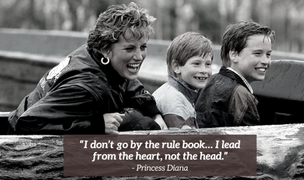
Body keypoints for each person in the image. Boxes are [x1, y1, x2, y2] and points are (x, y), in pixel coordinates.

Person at [7, 2, 167, 135]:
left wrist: (153, 111)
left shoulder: (96, 56)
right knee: (138, 123)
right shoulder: (88, 86)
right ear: (105, 49)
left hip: (26, 117)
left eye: (143, 47)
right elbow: (27, 123)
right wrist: (96, 125)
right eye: (130, 49)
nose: (139, 56)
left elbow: (128, 82)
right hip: (21, 151)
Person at [195, 20, 275, 127]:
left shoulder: (208, 81)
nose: (266, 61)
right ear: (234, 55)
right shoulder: (241, 95)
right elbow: (251, 141)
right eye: (257, 53)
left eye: (268, 54)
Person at [153, 32, 214, 129]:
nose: (203, 70)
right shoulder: (175, 103)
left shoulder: (174, 92)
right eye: (196, 63)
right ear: (176, 66)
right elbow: (184, 142)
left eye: (208, 64)